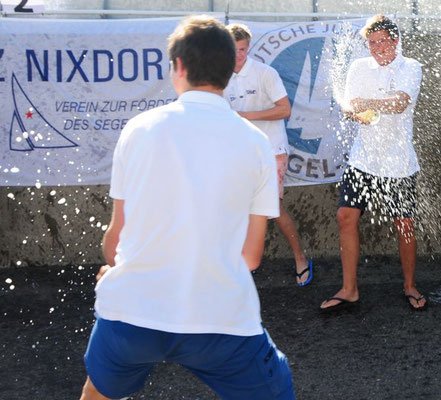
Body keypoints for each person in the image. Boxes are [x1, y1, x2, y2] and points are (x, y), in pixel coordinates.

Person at [80, 16, 294, 399]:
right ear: (231, 70)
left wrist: (117, 270)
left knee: (97, 391)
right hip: (220, 322)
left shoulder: (139, 129)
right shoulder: (254, 142)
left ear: (178, 66)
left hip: (129, 314)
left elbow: (115, 242)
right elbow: (251, 257)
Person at [319, 14, 427, 312]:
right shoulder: (358, 67)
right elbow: (352, 108)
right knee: (345, 216)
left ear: (395, 40)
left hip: (399, 161)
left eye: (382, 41)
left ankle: (409, 285)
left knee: (404, 224)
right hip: (363, 158)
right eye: (372, 43)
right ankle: (349, 288)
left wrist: (367, 104)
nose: (377, 47)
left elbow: (400, 103)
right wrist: (352, 111)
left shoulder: (411, 67)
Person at [224, 23, 313, 287]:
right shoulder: (219, 76)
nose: (238, 55)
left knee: (272, 209)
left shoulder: (265, 73)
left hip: (270, 150)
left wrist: (246, 116)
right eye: (233, 50)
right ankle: (239, 266)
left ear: (248, 47)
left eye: (242, 50)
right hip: (238, 154)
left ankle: (301, 259)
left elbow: (284, 110)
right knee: (236, 209)